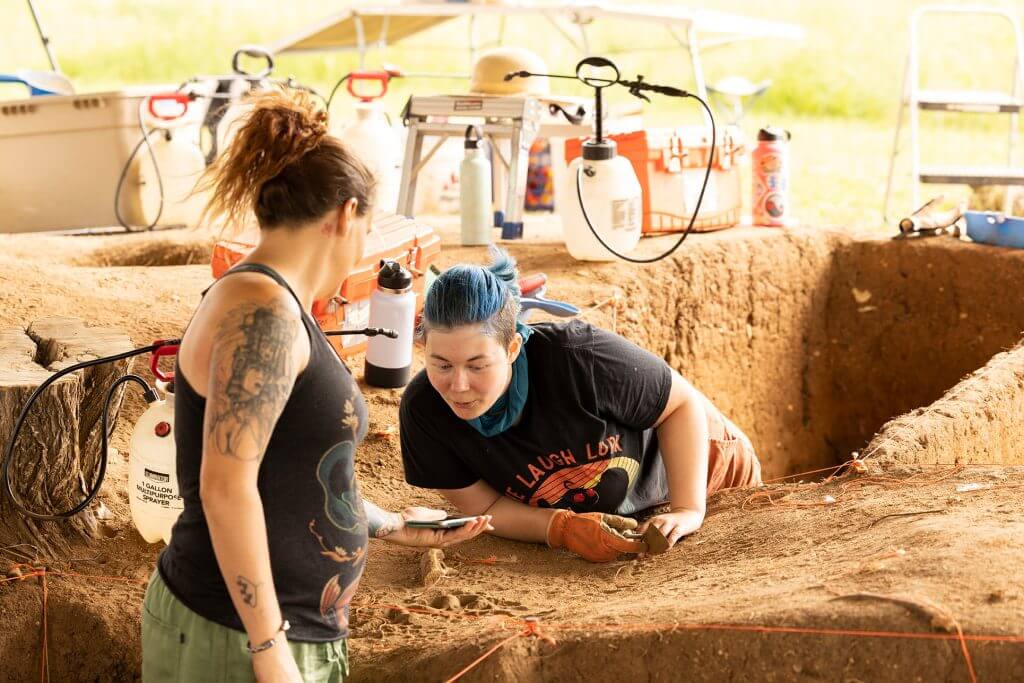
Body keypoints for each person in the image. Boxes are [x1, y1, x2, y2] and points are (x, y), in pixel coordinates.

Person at [142, 89, 492, 683]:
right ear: (345, 216)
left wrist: (391, 525)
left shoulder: (271, 303)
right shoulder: (265, 318)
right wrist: (268, 646)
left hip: (267, 632)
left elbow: (294, 467)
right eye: (367, 228)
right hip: (235, 640)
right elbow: (225, 489)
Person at [399, 249, 761, 563]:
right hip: (626, 500)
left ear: (512, 349)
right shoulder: (424, 414)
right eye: (441, 364)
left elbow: (681, 406)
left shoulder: (580, 359)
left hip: (708, 466)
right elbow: (485, 507)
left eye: (477, 366)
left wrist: (687, 509)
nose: (458, 386)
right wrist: (561, 527)